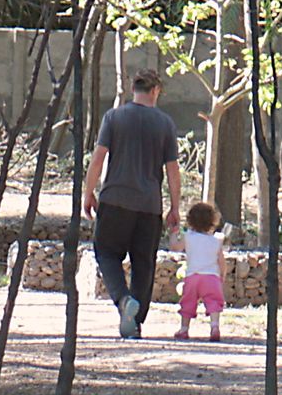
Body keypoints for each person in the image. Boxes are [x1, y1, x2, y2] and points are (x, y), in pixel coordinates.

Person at [83, 68, 181, 339]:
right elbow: (173, 170)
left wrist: (88, 193)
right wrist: (175, 207)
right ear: (155, 91)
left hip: (114, 200)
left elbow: (98, 157)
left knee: (106, 252)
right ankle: (135, 323)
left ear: (133, 90)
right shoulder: (165, 124)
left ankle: (124, 301)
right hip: (149, 207)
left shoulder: (114, 117)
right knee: (143, 264)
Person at [168, 201, 226, 342]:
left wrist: (174, 233)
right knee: (214, 303)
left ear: (190, 220)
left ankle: (184, 329)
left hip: (192, 277)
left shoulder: (188, 237)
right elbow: (221, 261)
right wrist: (222, 275)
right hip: (211, 278)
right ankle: (214, 326)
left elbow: (175, 247)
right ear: (213, 221)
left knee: (188, 302)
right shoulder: (216, 241)